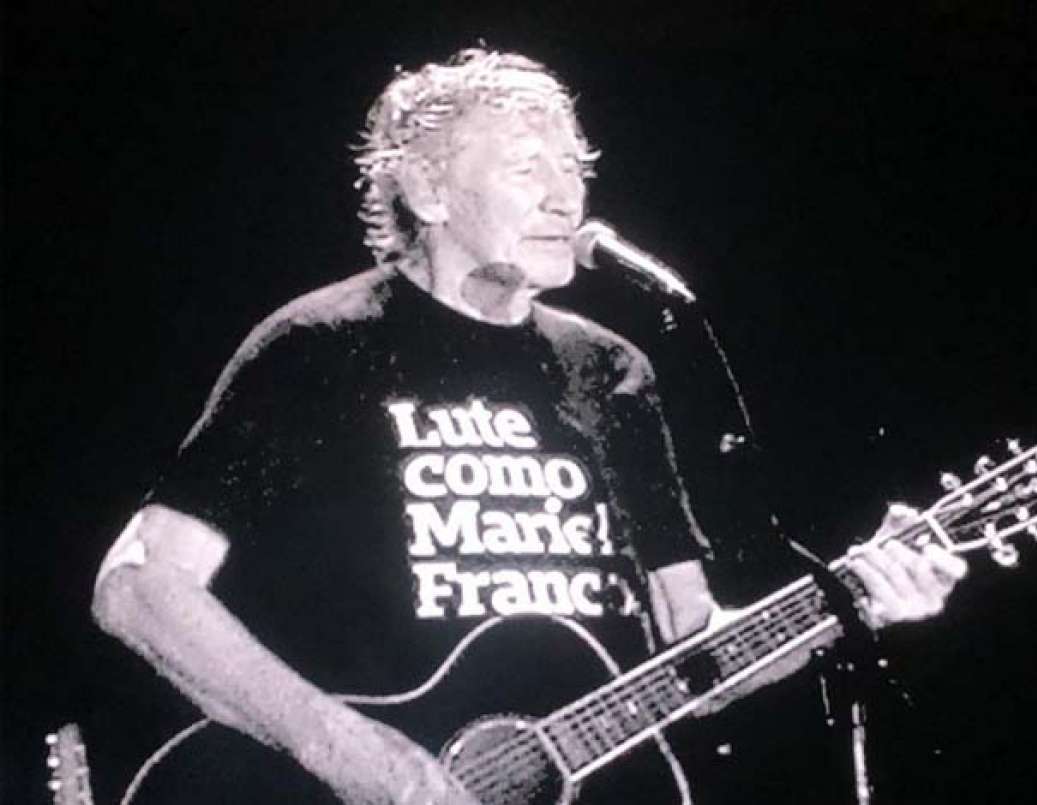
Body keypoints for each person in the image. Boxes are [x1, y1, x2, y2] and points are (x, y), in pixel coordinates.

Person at [91, 48, 967, 805]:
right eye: (524, 167)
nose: (565, 195)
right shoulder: (320, 346)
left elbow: (691, 656)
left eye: (573, 166)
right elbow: (138, 587)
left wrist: (850, 602)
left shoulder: (612, 371)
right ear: (429, 189)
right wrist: (351, 751)